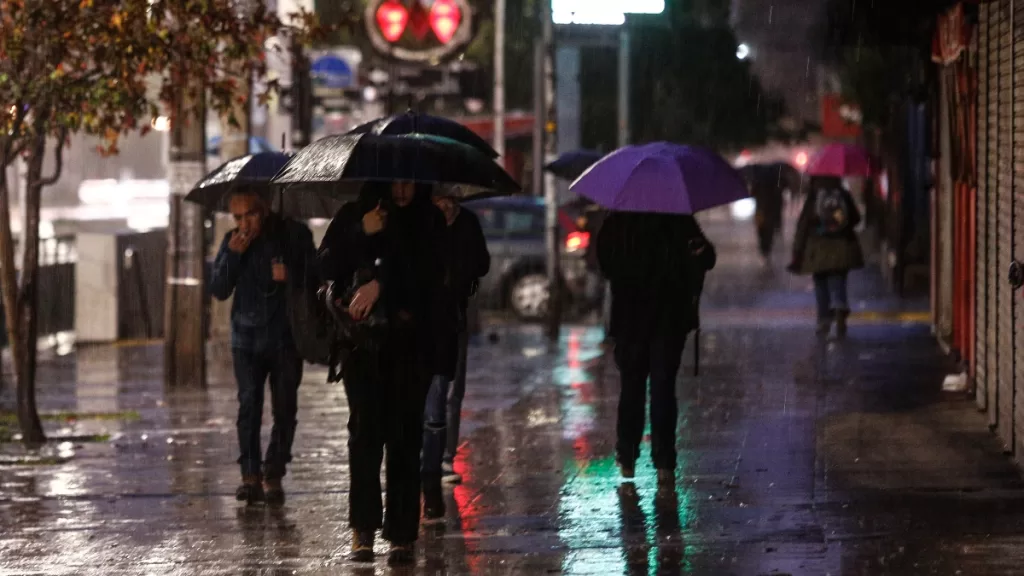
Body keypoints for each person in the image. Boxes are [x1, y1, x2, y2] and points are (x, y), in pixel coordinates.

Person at [318, 180, 446, 565]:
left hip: (410, 346)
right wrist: (362, 232)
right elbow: (325, 264)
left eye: (410, 181)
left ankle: (403, 533)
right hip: (362, 348)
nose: (403, 190)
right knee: (365, 435)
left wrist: (383, 285)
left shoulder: (428, 219)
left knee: (405, 438)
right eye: (396, 181)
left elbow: (434, 274)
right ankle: (363, 528)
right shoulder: (354, 215)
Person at [209, 190, 315, 506]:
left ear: (264, 209)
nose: (243, 224)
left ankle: (274, 471)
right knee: (248, 404)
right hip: (246, 339)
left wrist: (291, 275)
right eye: (237, 218)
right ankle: (250, 475)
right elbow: (219, 289)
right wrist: (232, 255)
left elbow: (318, 275)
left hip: (285, 337)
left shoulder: (294, 234)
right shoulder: (233, 241)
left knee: (284, 408)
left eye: (249, 215)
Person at [597, 212, 716, 490]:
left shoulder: (618, 219)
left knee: (632, 389)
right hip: (668, 319)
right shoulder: (678, 218)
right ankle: (664, 463)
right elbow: (707, 258)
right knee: (663, 389)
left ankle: (627, 456)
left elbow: (604, 264)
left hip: (631, 321)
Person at [422, 194, 490, 518]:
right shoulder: (422, 222)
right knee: (429, 391)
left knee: (452, 390)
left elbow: (482, 264)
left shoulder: (467, 224)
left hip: (456, 317)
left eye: (449, 198)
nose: (444, 204)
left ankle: (445, 456)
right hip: (425, 319)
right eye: (438, 197)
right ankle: (429, 457)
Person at [787, 176, 864, 338]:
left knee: (821, 282)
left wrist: (797, 252)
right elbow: (856, 219)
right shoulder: (842, 193)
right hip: (842, 245)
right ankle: (839, 304)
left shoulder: (814, 196)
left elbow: (803, 226)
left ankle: (823, 319)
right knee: (838, 277)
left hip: (818, 248)